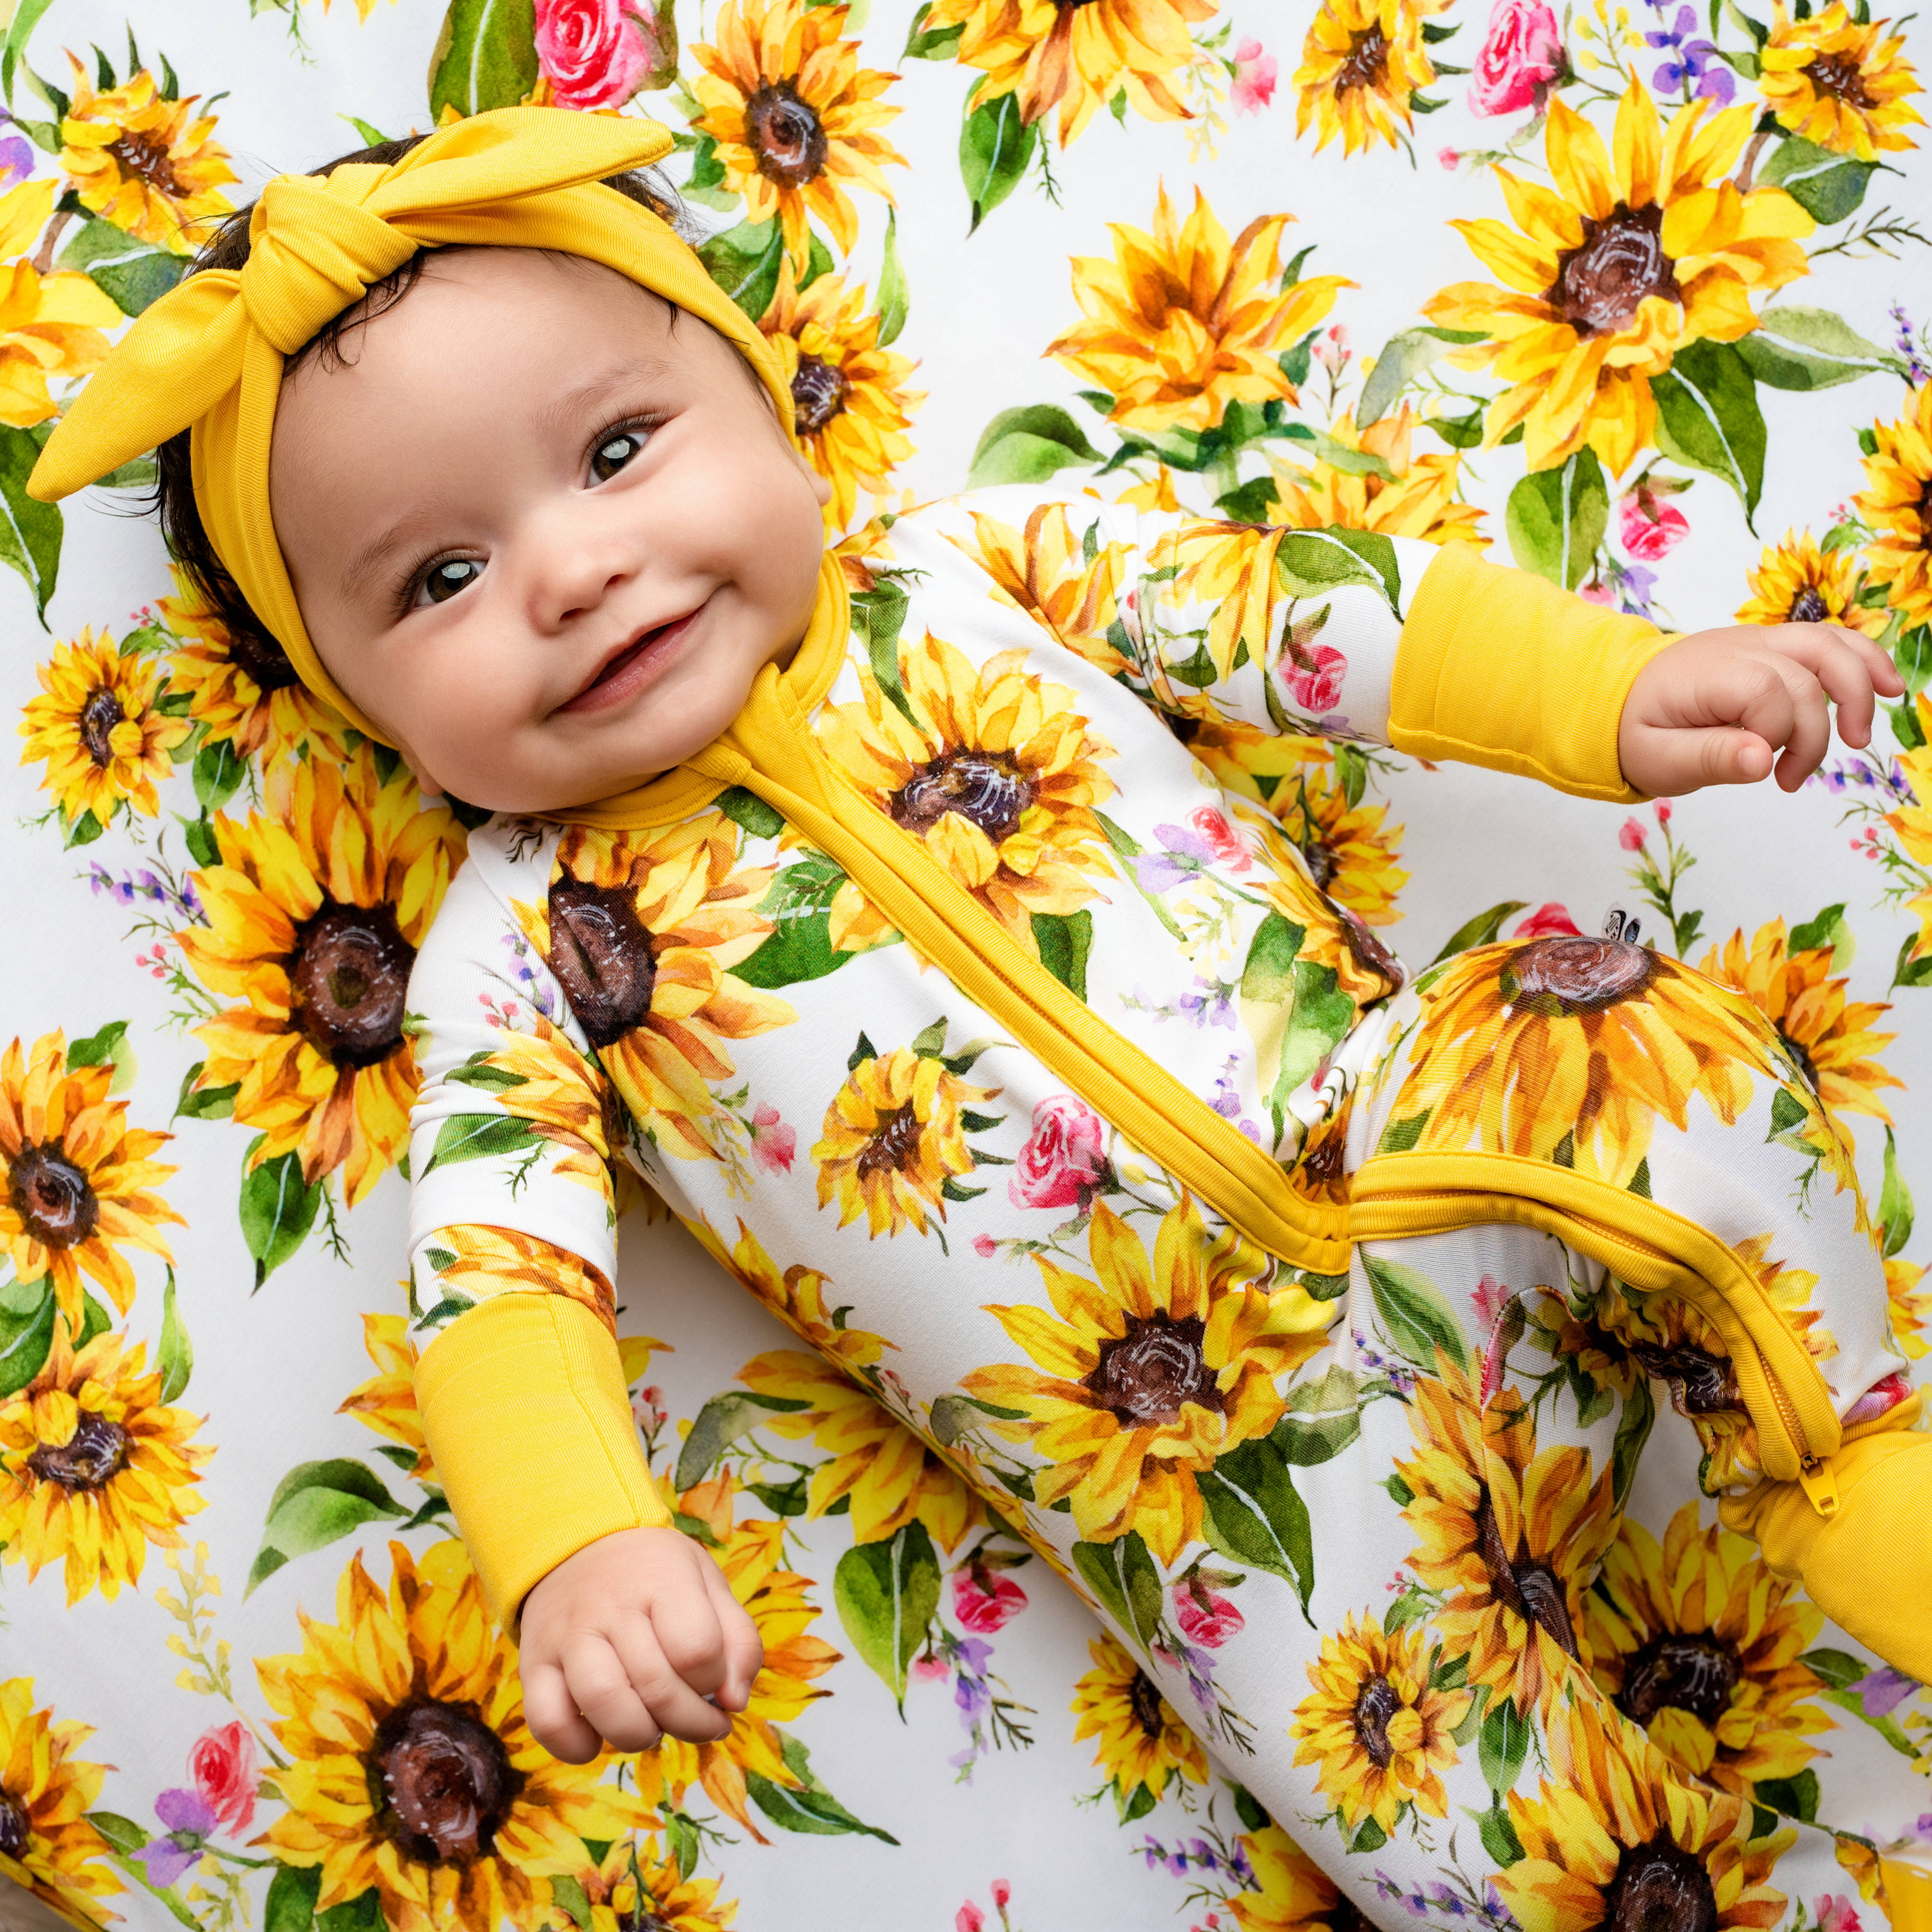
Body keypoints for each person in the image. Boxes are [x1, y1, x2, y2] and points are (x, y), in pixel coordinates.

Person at [32, 104, 1930, 1919]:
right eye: (440, 578)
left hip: (1431, 1152)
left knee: (1626, 1032)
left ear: (758, 399)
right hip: (1228, 1497)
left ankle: (1854, 1469)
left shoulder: (981, 572)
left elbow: (1302, 608)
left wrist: (1614, 687)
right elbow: (498, 1280)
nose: (572, 566)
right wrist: (579, 1539)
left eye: (617, 451)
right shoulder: (519, 954)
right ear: (359, 703)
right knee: (1438, 1832)